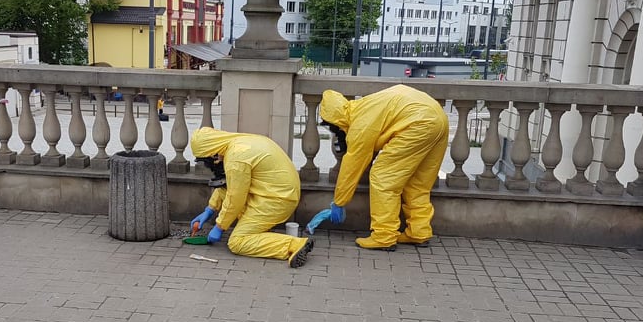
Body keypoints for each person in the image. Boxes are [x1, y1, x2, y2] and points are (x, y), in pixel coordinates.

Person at [318, 84, 449, 250]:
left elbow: (352, 168)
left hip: (418, 123)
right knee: (417, 184)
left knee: (383, 178)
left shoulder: (360, 124)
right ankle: (419, 232)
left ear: (336, 120)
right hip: (438, 118)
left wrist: (339, 202)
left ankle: (384, 236)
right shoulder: (363, 106)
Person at [190, 127, 314, 268]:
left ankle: (294, 245)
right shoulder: (239, 143)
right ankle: (256, 231)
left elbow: (235, 197)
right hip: (277, 193)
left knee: (237, 242)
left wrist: (220, 226)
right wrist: (210, 209)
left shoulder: (236, 158)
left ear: (213, 155)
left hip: (277, 200)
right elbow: (228, 187)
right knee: (239, 215)